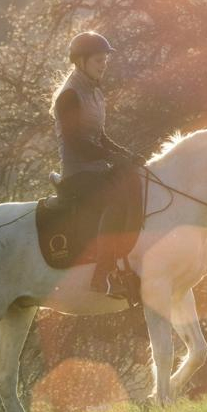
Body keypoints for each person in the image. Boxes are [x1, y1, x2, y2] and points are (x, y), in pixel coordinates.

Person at [50, 31, 142, 299]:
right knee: (116, 199)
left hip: (96, 168)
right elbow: (76, 143)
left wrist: (126, 154)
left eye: (105, 60)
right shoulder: (69, 96)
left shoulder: (94, 92)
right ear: (80, 61)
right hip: (78, 173)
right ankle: (104, 275)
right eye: (98, 60)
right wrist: (112, 158)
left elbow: (99, 136)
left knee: (135, 181)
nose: (103, 64)